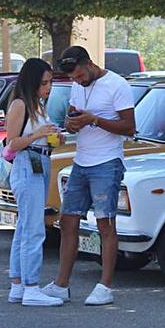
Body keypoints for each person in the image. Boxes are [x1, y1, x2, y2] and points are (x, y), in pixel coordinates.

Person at [42, 46, 136, 306]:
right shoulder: (77, 85)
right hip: (81, 160)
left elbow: (129, 126)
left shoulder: (116, 85)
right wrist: (70, 122)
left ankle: (105, 286)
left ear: (89, 63)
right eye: (73, 78)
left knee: (105, 223)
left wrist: (94, 120)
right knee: (68, 222)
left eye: (79, 75)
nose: (77, 81)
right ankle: (61, 284)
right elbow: (71, 115)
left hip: (107, 162)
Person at [5, 58, 63, 307]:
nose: (48, 87)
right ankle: (31, 286)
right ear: (32, 82)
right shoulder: (20, 104)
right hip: (28, 164)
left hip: (40, 161)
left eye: (50, 82)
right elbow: (12, 143)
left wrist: (53, 137)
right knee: (33, 229)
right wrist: (38, 134)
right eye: (44, 83)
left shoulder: (37, 105)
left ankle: (18, 285)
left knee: (25, 227)